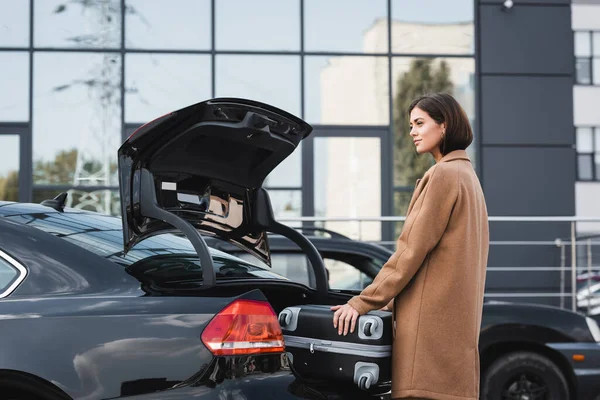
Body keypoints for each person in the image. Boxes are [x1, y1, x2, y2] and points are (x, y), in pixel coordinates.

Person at [331, 93, 489, 400]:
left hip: (426, 338)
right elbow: (443, 259)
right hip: (456, 337)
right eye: (411, 125)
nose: (412, 132)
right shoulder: (468, 177)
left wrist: (362, 302)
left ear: (444, 126)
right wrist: (390, 304)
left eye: (420, 123)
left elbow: (410, 252)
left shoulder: (442, 175)